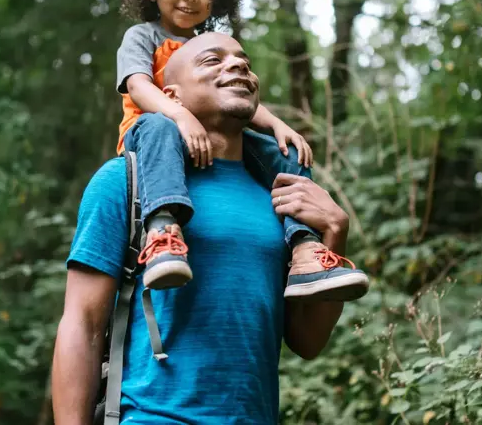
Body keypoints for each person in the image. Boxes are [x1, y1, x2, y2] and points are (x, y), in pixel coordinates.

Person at [52, 32, 363, 423]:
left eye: (244, 62)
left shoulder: (284, 197)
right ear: (173, 96)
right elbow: (82, 324)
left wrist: (335, 232)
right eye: (212, 60)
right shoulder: (124, 181)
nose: (237, 65)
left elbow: (307, 342)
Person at [114, 0, 367, 300]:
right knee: (157, 125)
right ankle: (163, 231)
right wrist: (180, 116)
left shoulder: (211, 44)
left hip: (210, 138)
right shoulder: (143, 36)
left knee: (286, 153)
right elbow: (138, 86)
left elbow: (238, 100)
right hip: (154, 138)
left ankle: (305, 249)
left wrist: (279, 126)